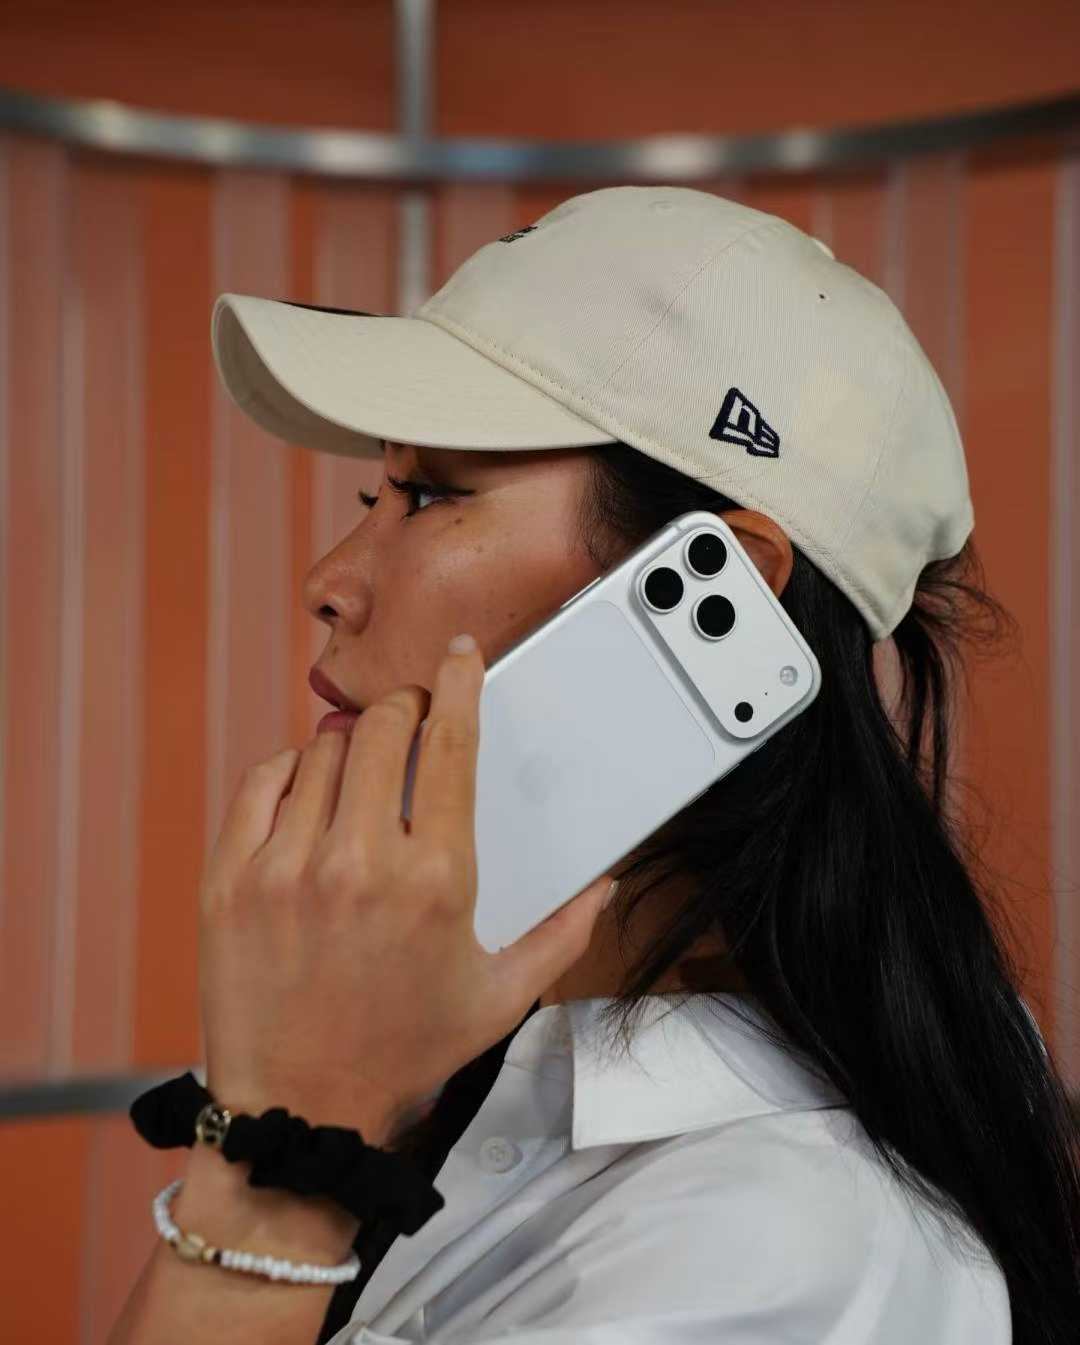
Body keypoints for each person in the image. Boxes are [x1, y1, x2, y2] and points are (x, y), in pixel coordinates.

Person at [109, 186, 1080, 1345]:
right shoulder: (479, 1072)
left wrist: (288, 1143)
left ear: (723, 592)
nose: (329, 580)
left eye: (430, 495)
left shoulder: (786, 1252)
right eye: (375, 491)